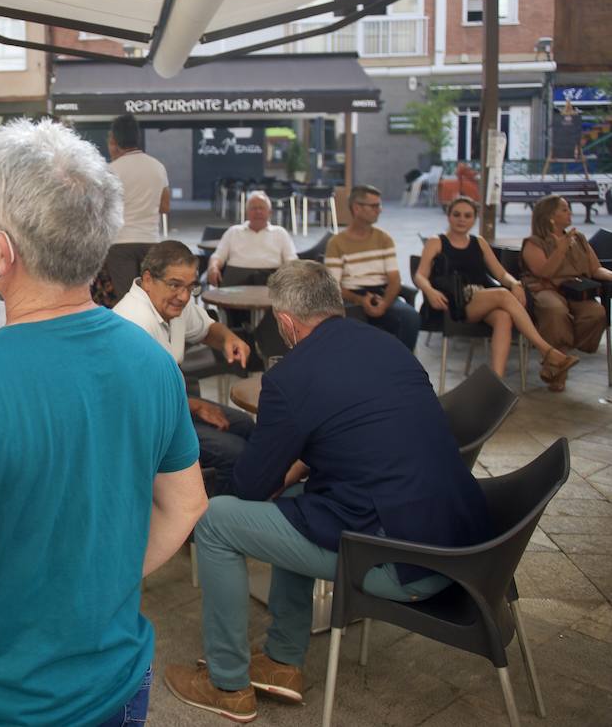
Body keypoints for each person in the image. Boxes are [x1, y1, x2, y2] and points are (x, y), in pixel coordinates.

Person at [0, 120, 208, 727]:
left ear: (3, 250)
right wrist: (98, 581)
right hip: (116, 678)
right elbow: (185, 506)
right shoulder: (152, 362)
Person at [163, 261, 492, 722]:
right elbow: (367, 437)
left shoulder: (291, 378)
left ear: (285, 323)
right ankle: (282, 660)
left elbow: (251, 488)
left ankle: (227, 683)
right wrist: (295, 470)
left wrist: (269, 476)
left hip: (399, 561)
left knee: (217, 519)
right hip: (465, 547)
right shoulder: (390, 347)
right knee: (300, 502)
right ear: (335, 305)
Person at [113, 241, 254, 494]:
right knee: (235, 453)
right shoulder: (133, 322)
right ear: (147, 280)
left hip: (172, 404)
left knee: (245, 424)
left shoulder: (172, 304)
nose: (185, 296)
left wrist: (227, 339)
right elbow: (139, 400)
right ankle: (213, 522)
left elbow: (206, 328)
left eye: (191, 287)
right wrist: (197, 406)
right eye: (175, 285)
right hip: (144, 423)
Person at [415, 196, 577, 390]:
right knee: (502, 295)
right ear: (449, 216)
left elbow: (500, 273)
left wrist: (515, 283)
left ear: (474, 219)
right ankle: (547, 351)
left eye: (467, 215)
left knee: (503, 316)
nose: (461, 219)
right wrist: (429, 291)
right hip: (453, 301)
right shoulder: (437, 241)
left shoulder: (479, 242)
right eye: (456, 214)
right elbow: (420, 275)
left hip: (480, 298)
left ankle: (495, 383)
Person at [521, 194, 612, 390]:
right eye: (564, 209)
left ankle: (558, 358)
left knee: (597, 313)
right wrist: (561, 248)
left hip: (576, 289)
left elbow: (595, 268)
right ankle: (558, 367)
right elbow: (544, 272)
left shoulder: (578, 238)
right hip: (546, 288)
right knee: (555, 310)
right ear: (550, 216)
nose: (570, 212)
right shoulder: (534, 242)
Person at [324, 184, 420, 350]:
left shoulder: (384, 239)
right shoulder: (337, 243)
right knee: (352, 326)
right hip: (349, 298)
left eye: (379, 205)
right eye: (374, 206)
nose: (379, 210)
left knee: (410, 317)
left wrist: (384, 303)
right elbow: (333, 286)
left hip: (382, 295)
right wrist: (360, 300)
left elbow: (394, 280)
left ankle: (400, 369)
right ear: (357, 208)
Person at [101, 114, 170, 297]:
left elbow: (101, 209)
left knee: (127, 299)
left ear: (114, 140)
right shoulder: (158, 167)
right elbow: (165, 206)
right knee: (151, 297)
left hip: (120, 244)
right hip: (150, 241)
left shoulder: (111, 170)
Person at [206, 191, 296, 287]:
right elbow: (218, 256)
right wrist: (213, 268)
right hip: (235, 277)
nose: (258, 211)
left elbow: (291, 259)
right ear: (246, 212)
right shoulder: (233, 231)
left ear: (270, 212)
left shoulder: (280, 232)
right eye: (254, 208)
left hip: (271, 279)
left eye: (261, 208)